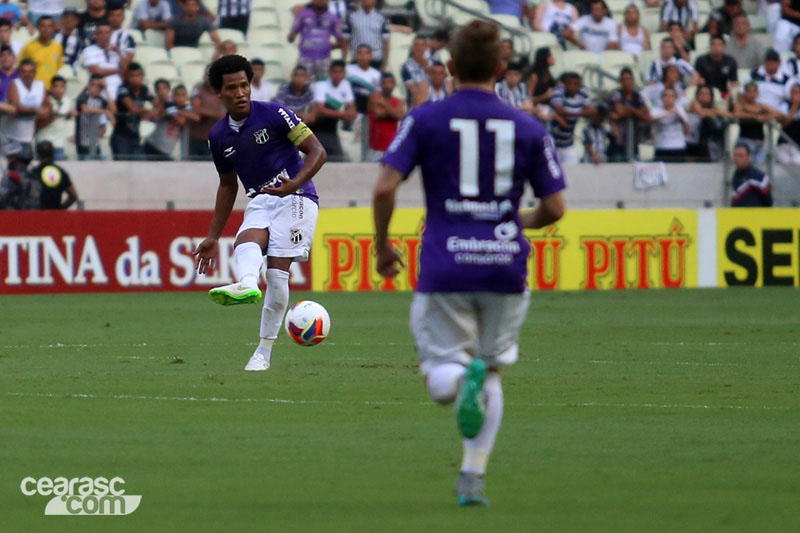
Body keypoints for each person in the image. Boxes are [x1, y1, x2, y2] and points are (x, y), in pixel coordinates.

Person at [372, 19, 566, 508]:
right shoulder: (528, 126)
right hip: (506, 267)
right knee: (491, 371)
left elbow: (384, 187)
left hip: (447, 264)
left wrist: (383, 245)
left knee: (442, 377)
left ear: (451, 66)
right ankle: (472, 477)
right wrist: (512, 221)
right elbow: (555, 208)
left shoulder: (425, 118)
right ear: (501, 67)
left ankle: (461, 380)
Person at [193, 54, 327, 372]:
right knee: (245, 240)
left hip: (296, 195)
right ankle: (247, 284)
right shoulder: (218, 136)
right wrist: (212, 236)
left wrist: (295, 182)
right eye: (232, 88)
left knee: (278, 272)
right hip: (260, 198)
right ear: (218, 92)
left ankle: (263, 353)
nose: (240, 93)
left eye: (244, 85)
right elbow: (228, 185)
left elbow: (317, 151)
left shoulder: (274, 113)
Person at [312, 59, 356, 159]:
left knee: (337, 158)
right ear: (330, 73)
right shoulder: (321, 85)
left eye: (340, 72)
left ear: (344, 74)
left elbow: (352, 108)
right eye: (335, 72)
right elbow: (320, 110)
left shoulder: (346, 85)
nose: (337, 75)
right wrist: (342, 114)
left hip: (333, 127)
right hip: (319, 127)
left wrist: (348, 114)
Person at [289, 0, 344, 81]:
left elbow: (341, 41)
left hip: (324, 59)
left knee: (324, 84)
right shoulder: (303, 15)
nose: (320, 1)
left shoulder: (333, 17)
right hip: (305, 58)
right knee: (304, 84)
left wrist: (330, 46)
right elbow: (291, 36)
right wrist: (292, 34)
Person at [111, 62, 155, 160]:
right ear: (127, 77)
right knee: (122, 167)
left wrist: (153, 111)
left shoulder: (144, 89)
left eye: (138, 75)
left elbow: (158, 104)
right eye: (132, 76)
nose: (135, 78)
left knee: (141, 165)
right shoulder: (123, 89)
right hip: (121, 137)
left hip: (135, 136)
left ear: (142, 76)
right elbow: (132, 108)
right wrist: (148, 111)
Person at [550, 71, 595, 164]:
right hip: (552, 142)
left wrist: (569, 113)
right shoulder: (558, 91)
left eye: (576, 84)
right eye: (569, 84)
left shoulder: (583, 92)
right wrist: (581, 113)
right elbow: (560, 110)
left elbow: (592, 111)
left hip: (568, 143)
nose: (572, 87)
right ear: (565, 84)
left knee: (574, 167)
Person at [1, 59, 45, 152]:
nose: (27, 75)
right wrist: (35, 110)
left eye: (30, 72)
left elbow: (46, 107)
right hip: (11, 137)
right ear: (19, 73)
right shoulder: (14, 84)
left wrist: (45, 112)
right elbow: (15, 108)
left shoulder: (40, 85)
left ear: (35, 73)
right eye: (24, 72)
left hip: (29, 136)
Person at [144, 84, 199, 160]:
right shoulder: (168, 106)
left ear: (187, 97)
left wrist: (179, 111)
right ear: (173, 96)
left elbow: (196, 117)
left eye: (183, 95)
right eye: (177, 95)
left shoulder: (187, 109)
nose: (180, 98)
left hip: (167, 150)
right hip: (153, 145)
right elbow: (180, 121)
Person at [608, 67, 650, 161]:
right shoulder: (617, 94)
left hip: (634, 140)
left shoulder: (637, 96)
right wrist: (637, 112)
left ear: (633, 80)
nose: (627, 82)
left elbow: (646, 116)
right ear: (620, 81)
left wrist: (630, 110)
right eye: (624, 79)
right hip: (618, 141)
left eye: (629, 79)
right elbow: (620, 111)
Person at [81, 22, 125, 100]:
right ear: (96, 35)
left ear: (111, 34)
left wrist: (119, 52)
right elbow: (97, 71)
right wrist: (119, 70)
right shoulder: (88, 51)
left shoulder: (116, 50)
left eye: (107, 33)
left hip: (119, 87)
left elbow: (126, 68)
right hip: (100, 87)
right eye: (100, 33)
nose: (104, 35)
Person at [733, 81, 774, 162]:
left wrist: (765, 117)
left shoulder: (761, 106)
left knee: (761, 166)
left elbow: (775, 114)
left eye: (754, 91)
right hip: (745, 142)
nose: (752, 94)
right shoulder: (741, 106)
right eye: (749, 91)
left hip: (760, 143)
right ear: (745, 93)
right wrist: (755, 116)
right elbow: (736, 114)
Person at [29, 140, 78, 209]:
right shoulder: (61, 172)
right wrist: (61, 209)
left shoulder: (33, 173)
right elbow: (73, 196)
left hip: (38, 214)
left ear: (38, 154)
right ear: (53, 153)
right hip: (55, 214)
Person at [75, 74, 114, 160]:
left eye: (99, 86)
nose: (95, 88)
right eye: (93, 85)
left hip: (96, 143)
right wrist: (104, 111)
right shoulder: (83, 96)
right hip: (83, 144)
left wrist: (106, 90)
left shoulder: (101, 100)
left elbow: (113, 110)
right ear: (89, 86)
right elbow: (85, 109)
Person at [686, 84, 730, 161]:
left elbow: (728, 115)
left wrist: (716, 112)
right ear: (697, 95)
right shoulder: (694, 104)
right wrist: (716, 112)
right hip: (691, 141)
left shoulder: (714, 107)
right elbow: (702, 113)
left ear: (711, 96)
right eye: (701, 93)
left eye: (707, 94)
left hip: (707, 141)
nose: (704, 96)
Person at [342, 0, 390, 70]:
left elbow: (386, 42)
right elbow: (346, 40)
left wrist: (384, 63)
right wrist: (343, 60)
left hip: (376, 59)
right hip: (357, 59)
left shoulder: (382, 18)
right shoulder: (351, 17)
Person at [17, 15, 62, 90]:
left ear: (53, 28)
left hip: (52, 90)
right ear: (38, 28)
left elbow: (58, 67)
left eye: (49, 26)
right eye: (43, 26)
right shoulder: (29, 47)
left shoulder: (58, 47)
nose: (46, 29)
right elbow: (20, 67)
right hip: (34, 89)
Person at [366, 71, 403, 162]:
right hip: (376, 147)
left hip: (392, 147)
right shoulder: (374, 97)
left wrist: (384, 105)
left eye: (390, 83)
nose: (387, 86)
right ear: (380, 85)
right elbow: (379, 114)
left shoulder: (398, 101)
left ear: (394, 84)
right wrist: (393, 112)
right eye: (384, 83)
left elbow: (400, 115)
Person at [189, 71, 226, 159]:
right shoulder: (198, 89)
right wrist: (215, 114)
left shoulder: (222, 90)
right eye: (207, 75)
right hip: (197, 138)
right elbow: (196, 109)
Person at [35, 75, 72, 160]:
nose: (59, 90)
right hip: (44, 143)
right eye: (56, 86)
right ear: (51, 88)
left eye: (61, 87)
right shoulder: (45, 101)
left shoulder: (67, 101)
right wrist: (51, 116)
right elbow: (37, 123)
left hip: (59, 144)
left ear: (65, 89)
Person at [650, 86, 690, 162]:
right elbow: (651, 119)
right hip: (661, 146)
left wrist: (681, 119)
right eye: (666, 95)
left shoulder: (680, 110)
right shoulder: (655, 110)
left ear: (675, 98)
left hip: (678, 146)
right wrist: (669, 112)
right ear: (661, 98)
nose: (668, 98)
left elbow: (686, 131)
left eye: (671, 96)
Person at [694, 35, 738, 99]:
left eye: (719, 45)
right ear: (710, 46)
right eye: (713, 45)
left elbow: (734, 82)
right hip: (706, 93)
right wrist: (698, 82)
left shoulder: (730, 61)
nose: (716, 47)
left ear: (724, 47)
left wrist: (728, 96)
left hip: (724, 93)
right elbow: (696, 78)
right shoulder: (701, 60)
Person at [346, 44, 380, 114]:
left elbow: (377, 94)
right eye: (360, 53)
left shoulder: (376, 74)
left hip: (365, 105)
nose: (362, 56)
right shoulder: (347, 69)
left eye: (366, 53)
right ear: (356, 56)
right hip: (348, 103)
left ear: (371, 56)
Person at [401, 36, 429, 108]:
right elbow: (413, 90)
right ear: (412, 48)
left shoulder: (432, 63)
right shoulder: (406, 66)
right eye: (416, 45)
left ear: (426, 47)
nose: (419, 48)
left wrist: (426, 68)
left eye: (422, 45)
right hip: (416, 102)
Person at [777, 82, 800, 163]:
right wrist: (795, 106)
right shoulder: (785, 104)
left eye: (797, 92)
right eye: (793, 92)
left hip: (798, 145)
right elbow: (785, 123)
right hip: (784, 143)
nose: (795, 95)